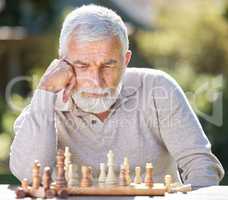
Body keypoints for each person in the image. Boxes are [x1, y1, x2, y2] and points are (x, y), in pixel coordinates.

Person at [9, 4, 224, 189]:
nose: (97, 80)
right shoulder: (44, 102)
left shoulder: (159, 89)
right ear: (62, 62)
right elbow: (29, 175)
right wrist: (45, 92)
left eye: (109, 65)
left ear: (126, 60)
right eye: (82, 65)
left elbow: (201, 167)